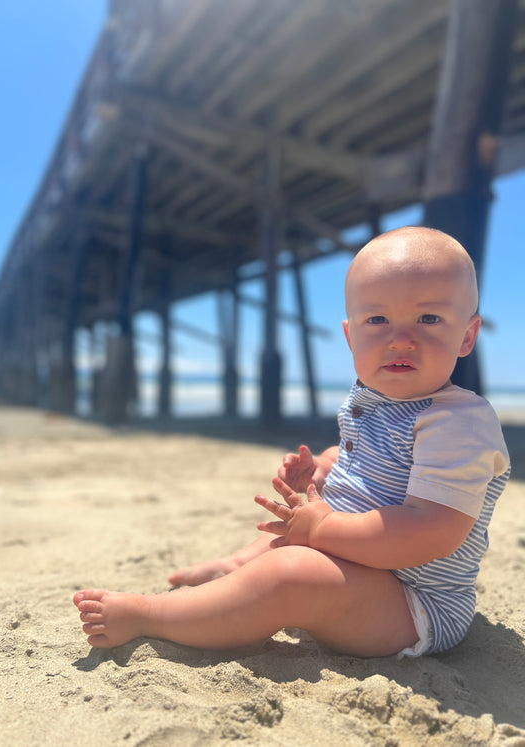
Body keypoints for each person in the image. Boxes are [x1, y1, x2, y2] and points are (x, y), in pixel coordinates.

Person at [73, 226, 510, 657]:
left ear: (467, 335)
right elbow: (372, 465)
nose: (400, 339)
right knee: (279, 538)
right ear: (350, 335)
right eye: (377, 319)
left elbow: (430, 530)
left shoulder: (458, 423)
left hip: (413, 603)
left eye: (428, 318)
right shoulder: (375, 401)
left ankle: (151, 616)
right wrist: (324, 467)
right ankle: (235, 570)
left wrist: (323, 527)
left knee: (291, 571)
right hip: (362, 563)